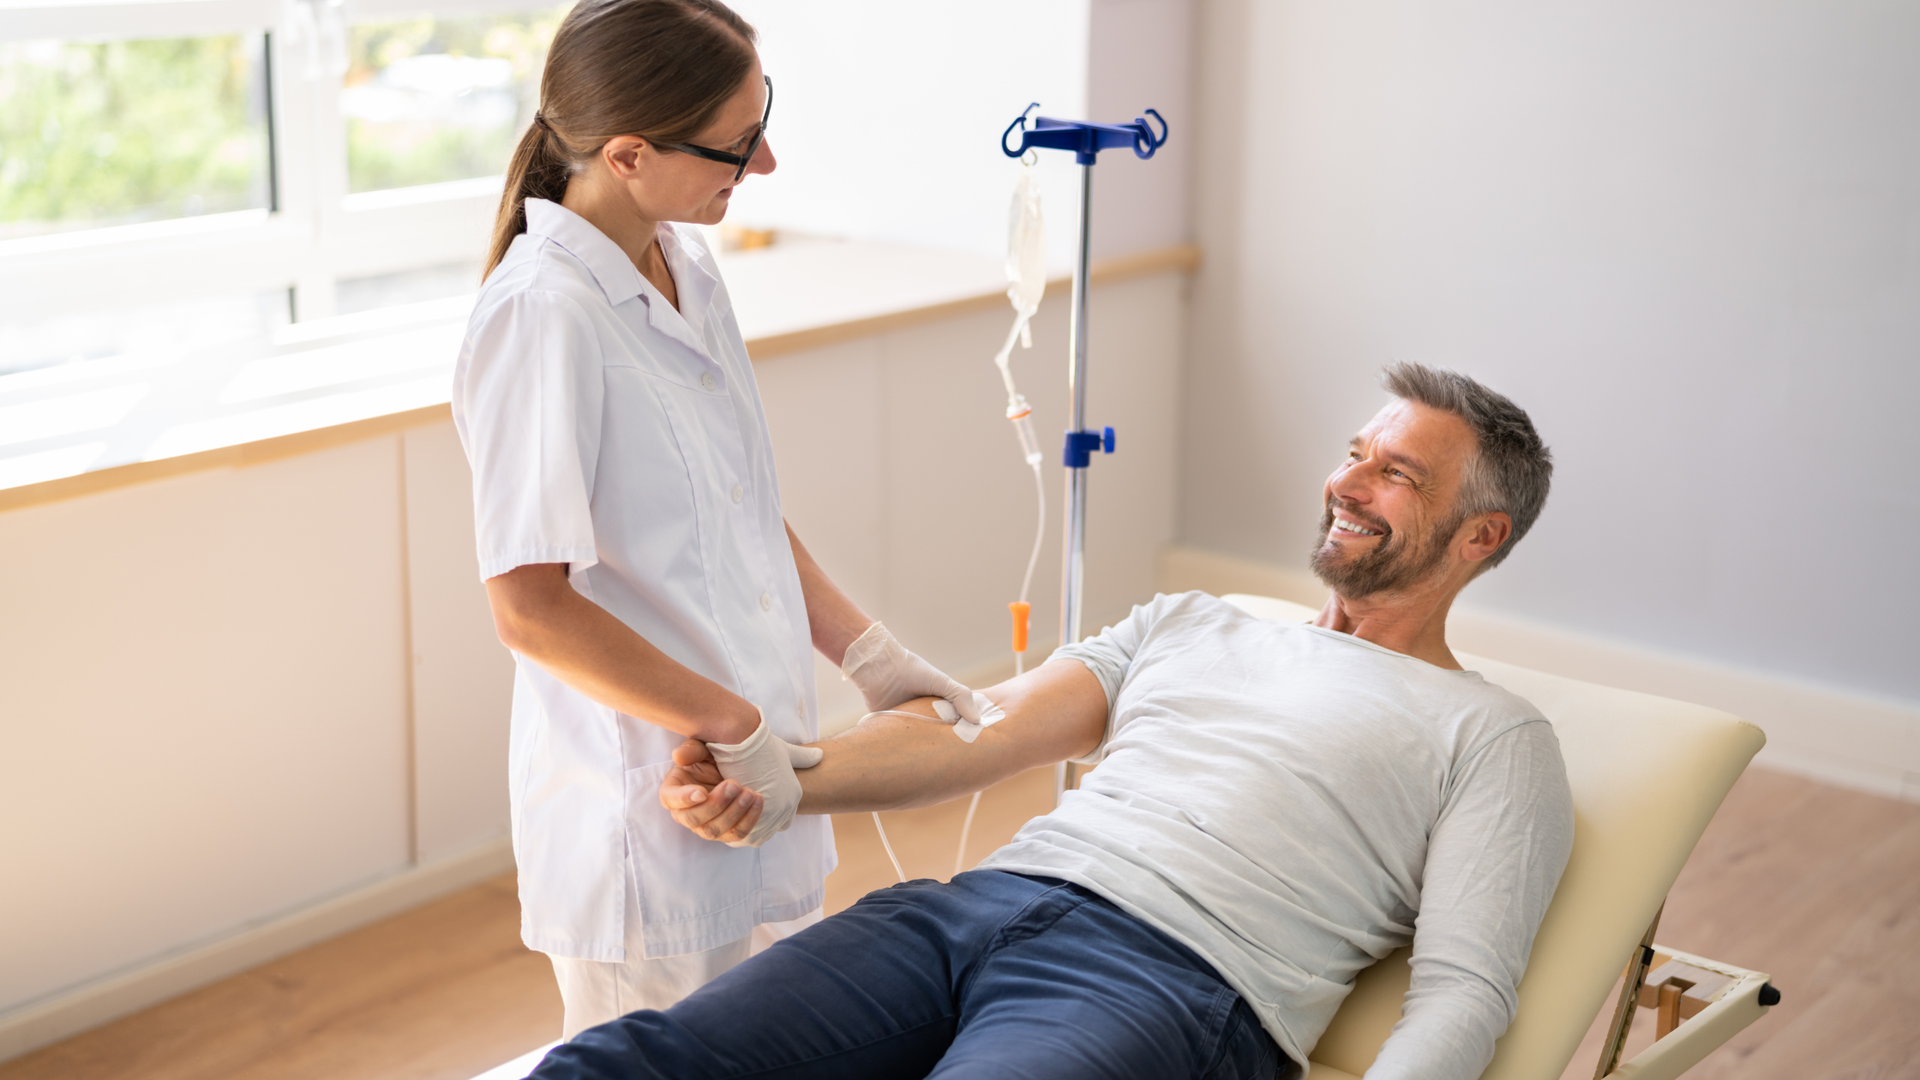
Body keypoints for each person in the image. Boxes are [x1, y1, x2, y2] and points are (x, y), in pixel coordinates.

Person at [521, 362, 1576, 1080]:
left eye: (1398, 475)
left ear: (1480, 535)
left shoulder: (1492, 735)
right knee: (624, 1064)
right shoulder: (1191, 622)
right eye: (1356, 453)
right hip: (966, 914)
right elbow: (980, 730)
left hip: (1176, 983)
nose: (1349, 483)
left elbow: (1463, 991)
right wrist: (783, 777)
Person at [451, 0, 981, 1041]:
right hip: (649, 810)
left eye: (763, 119)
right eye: (738, 146)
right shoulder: (541, 314)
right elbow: (531, 610)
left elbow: (744, 510)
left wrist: (867, 653)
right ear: (630, 153)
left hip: (759, 781)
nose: (769, 162)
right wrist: (729, 726)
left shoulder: (686, 267)